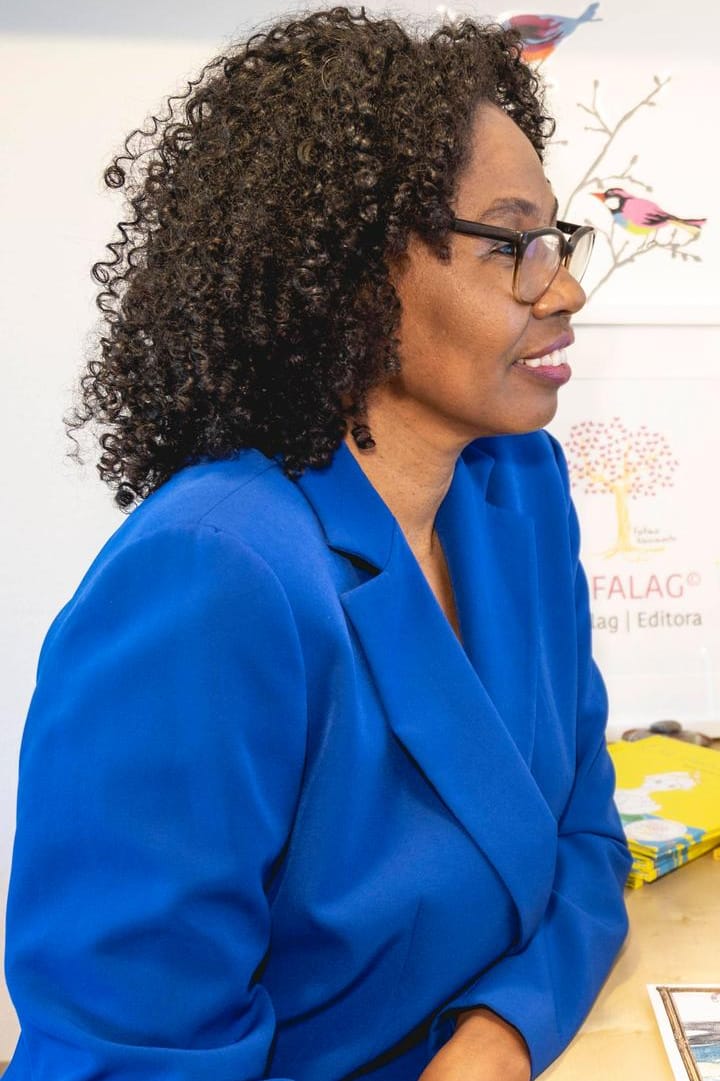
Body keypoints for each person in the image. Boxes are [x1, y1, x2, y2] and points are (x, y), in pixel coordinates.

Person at [5, 10, 629, 1080]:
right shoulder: (211, 573)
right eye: (513, 243)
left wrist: (500, 1033)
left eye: (557, 239)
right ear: (353, 271)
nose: (565, 286)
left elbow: (586, 840)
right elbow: (129, 1055)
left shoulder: (521, 492)